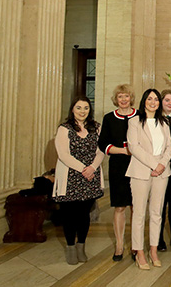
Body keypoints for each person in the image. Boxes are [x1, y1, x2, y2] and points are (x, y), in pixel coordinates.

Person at [53, 96, 104, 265]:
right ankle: (70, 248)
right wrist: (83, 168)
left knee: (84, 215)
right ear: (72, 110)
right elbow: (63, 154)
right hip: (71, 177)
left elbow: (101, 151)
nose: (82, 111)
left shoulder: (96, 127)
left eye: (86, 108)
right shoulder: (64, 128)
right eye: (79, 108)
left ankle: (81, 246)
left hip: (90, 176)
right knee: (70, 215)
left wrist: (92, 168)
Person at [126, 89, 171, 270]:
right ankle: (139, 251)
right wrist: (154, 165)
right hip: (141, 171)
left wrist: (162, 164)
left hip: (162, 173)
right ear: (144, 101)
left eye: (156, 99)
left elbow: (170, 145)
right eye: (149, 99)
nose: (153, 102)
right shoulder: (134, 122)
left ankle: (153, 250)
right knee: (139, 214)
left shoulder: (164, 122)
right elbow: (134, 147)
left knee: (156, 213)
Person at [98, 84, 137, 262]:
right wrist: (122, 151)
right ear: (116, 99)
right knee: (120, 206)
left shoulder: (139, 116)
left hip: (137, 166)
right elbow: (103, 144)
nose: (123, 100)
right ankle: (120, 244)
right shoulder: (109, 118)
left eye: (126, 96)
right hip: (118, 166)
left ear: (131, 98)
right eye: (120, 96)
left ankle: (136, 244)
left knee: (136, 207)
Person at [157, 90, 171, 252]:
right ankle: (157, 239)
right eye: (167, 100)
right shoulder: (154, 120)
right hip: (159, 167)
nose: (170, 103)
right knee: (159, 206)